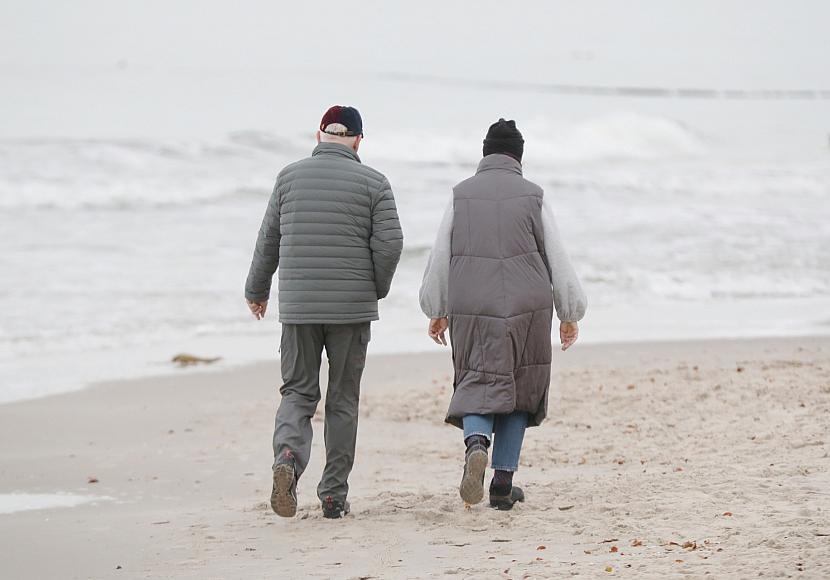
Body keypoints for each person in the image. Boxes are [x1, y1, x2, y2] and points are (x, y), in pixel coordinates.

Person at [245, 105, 403, 519]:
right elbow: (391, 244)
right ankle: (333, 495)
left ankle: (287, 459)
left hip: (298, 308)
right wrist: (375, 289)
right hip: (351, 310)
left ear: (319, 136)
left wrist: (256, 290)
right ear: (357, 140)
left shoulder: (288, 177)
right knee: (342, 398)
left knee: (297, 392)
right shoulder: (375, 182)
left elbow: (268, 241)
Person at [419, 118, 586, 510]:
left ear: (485, 153)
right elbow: (556, 255)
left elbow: (441, 251)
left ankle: (476, 444)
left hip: (472, 302)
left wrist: (436, 307)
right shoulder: (534, 195)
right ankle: (502, 483)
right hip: (527, 304)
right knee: (521, 388)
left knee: (477, 378)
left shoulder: (460, 194)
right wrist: (569, 312)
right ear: (519, 157)